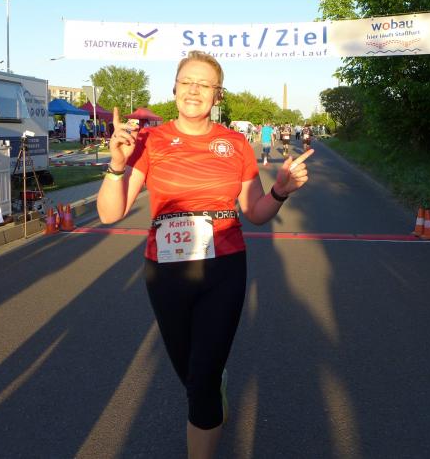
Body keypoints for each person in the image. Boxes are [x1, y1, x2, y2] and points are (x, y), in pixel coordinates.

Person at [97, 51, 314, 459]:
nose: (194, 90)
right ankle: (214, 387)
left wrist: (280, 190)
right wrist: (117, 164)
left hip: (223, 269)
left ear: (217, 95)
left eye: (204, 84)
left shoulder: (236, 144)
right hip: (166, 272)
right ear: (174, 89)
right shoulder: (150, 141)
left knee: (201, 383)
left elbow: (255, 212)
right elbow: (111, 212)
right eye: (186, 82)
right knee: (190, 373)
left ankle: (210, 399)